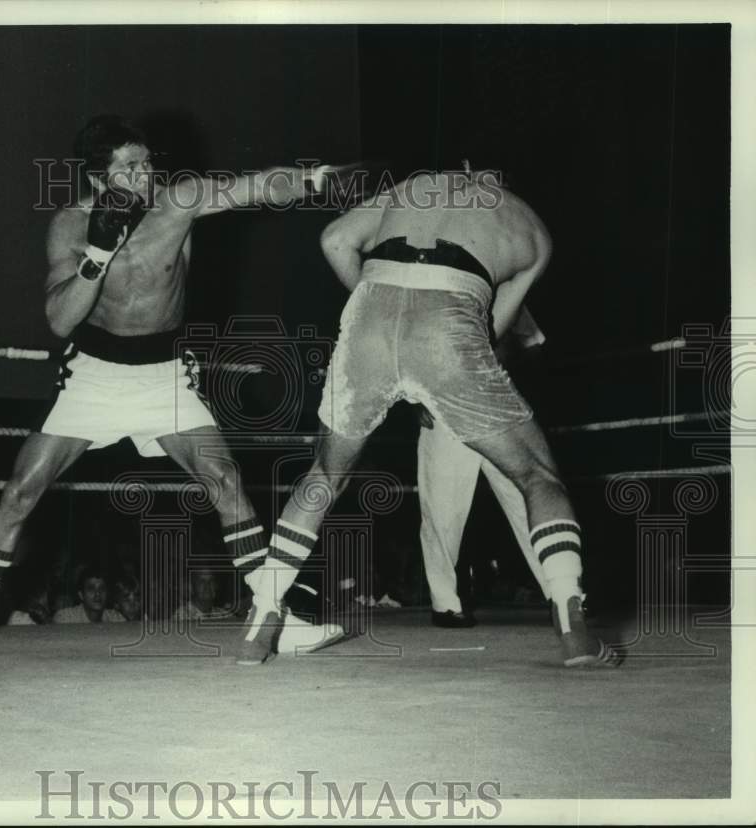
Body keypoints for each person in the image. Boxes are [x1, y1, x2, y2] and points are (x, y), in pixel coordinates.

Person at [0, 115, 352, 659]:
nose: (145, 175)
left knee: (224, 477)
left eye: (146, 163)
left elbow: (252, 187)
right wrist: (97, 257)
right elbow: (59, 320)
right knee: (22, 489)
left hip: (163, 376)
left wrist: (315, 178)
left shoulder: (179, 201)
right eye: (130, 167)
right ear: (98, 179)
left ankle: (275, 618)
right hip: (93, 376)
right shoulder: (71, 225)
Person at [241, 169, 621, 668]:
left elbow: (334, 239)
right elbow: (488, 333)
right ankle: (573, 630)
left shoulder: (414, 187)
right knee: (536, 476)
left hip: (368, 313)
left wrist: (375, 306)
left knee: (325, 475)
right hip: (450, 316)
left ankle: (262, 615)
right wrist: (434, 372)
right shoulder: (531, 229)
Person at [418, 306, 550, 627]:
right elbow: (407, 352)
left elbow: (534, 345)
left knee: (528, 499)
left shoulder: (503, 289)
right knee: (442, 510)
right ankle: (445, 603)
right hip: (444, 406)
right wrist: (418, 397)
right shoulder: (428, 294)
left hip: (500, 408)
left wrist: (501, 360)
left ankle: (564, 593)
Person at [53, 571, 126, 623]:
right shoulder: (66, 619)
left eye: (102, 588)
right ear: (81, 595)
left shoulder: (116, 619)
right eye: (91, 589)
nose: (97, 593)